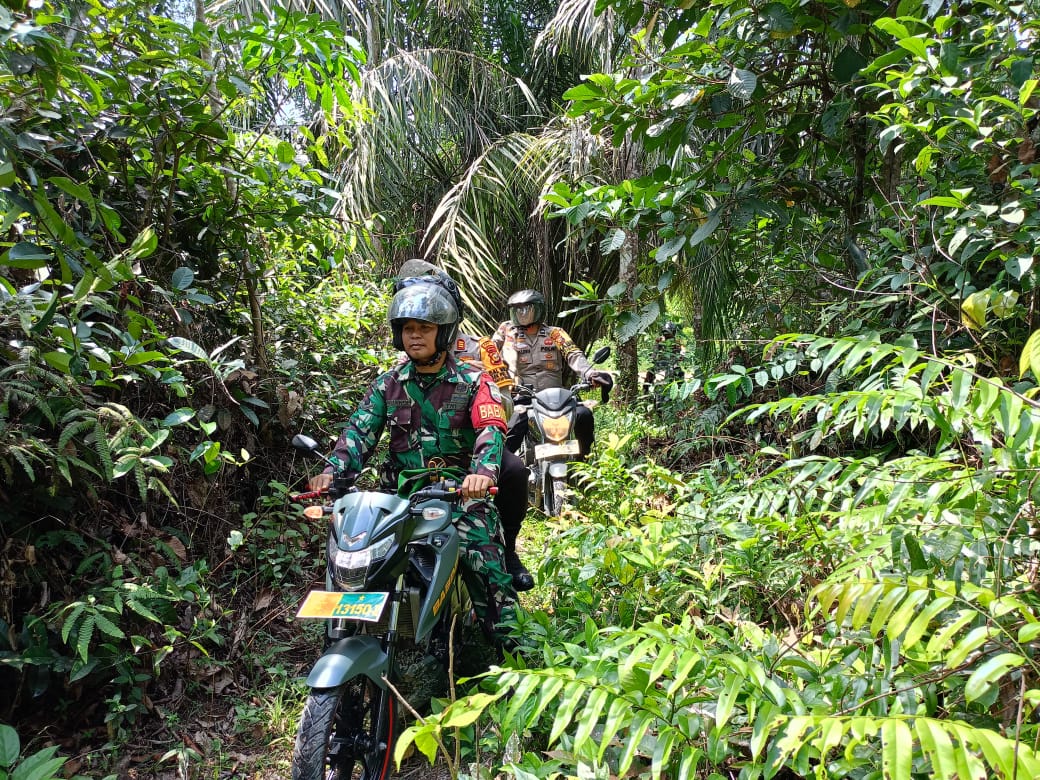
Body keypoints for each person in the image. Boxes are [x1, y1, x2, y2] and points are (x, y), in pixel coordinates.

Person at [307, 281, 516, 635]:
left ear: (444, 332)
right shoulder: (387, 384)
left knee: (484, 563)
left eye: (424, 328)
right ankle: (353, 633)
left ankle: (510, 647)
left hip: (459, 495)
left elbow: (491, 428)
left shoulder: (475, 380)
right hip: (399, 497)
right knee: (355, 556)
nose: (414, 336)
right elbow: (358, 433)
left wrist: (482, 473)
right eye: (408, 329)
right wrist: (332, 471)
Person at [392, 259, 534, 591]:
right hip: (422, 457)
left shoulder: (480, 348)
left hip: (473, 448)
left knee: (513, 470)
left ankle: (508, 550)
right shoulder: (404, 359)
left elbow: (506, 396)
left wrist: (477, 398)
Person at [493, 289, 613, 457]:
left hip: (557, 397)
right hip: (523, 397)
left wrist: (590, 374)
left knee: (584, 415)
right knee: (512, 428)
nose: (521, 313)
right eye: (517, 309)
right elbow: (488, 352)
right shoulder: (507, 330)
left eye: (526, 308)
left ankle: (582, 462)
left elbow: (573, 354)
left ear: (538, 309)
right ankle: (503, 470)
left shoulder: (555, 333)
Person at [642, 321, 684, 397]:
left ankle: (683, 394)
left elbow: (681, 353)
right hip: (660, 364)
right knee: (649, 374)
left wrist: (680, 356)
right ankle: (645, 392)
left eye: (669, 333)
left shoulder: (676, 342)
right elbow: (654, 353)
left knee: (680, 374)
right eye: (666, 333)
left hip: (672, 365)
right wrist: (654, 357)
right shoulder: (659, 341)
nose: (667, 335)